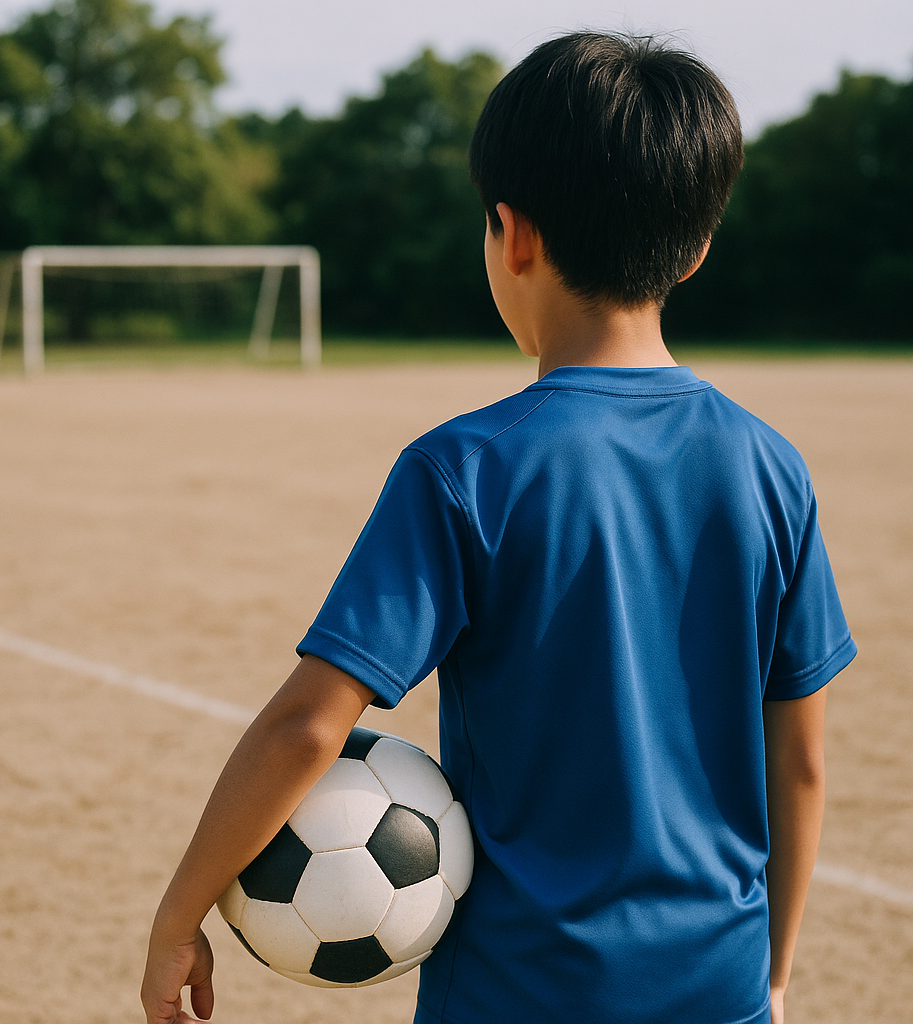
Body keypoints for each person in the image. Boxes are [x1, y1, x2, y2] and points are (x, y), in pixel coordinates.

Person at [141, 32, 856, 1024]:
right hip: (715, 988)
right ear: (694, 247)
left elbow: (311, 720)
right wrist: (768, 976)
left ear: (509, 235)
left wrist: (180, 913)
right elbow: (802, 759)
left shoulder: (463, 468)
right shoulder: (771, 466)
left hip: (516, 993)